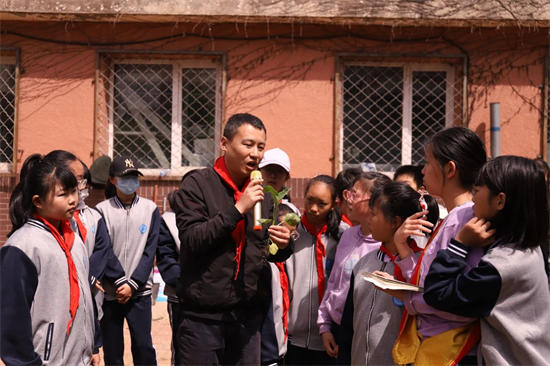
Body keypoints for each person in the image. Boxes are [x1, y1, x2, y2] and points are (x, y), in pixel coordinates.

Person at [174, 113, 293, 366]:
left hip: (248, 320)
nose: (256, 154)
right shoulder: (197, 185)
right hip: (202, 320)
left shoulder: (265, 195)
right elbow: (193, 240)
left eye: (261, 147)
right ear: (225, 143)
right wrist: (238, 209)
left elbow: (265, 250)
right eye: (248, 144)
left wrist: (284, 245)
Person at [424, 156, 550, 365]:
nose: (472, 199)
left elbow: (437, 293)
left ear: (500, 200)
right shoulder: (525, 247)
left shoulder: (504, 266)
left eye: (477, 191)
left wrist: (459, 244)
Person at [390, 127, 487, 366]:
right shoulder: (453, 217)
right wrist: (402, 246)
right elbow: (430, 281)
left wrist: (409, 300)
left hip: (453, 352)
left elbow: (462, 298)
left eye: (427, 162)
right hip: (434, 347)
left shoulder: (466, 218)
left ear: (450, 169)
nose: (422, 170)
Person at [0, 153, 98, 365]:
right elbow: (12, 317)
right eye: (63, 194)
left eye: (74, 191)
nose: (73, 199)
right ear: (38, 201)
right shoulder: (23, 246)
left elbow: (84, 295)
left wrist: (93, 344)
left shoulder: (73, 236)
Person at [338, 182, 439, 366]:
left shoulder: (421, 267)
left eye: (374, 214)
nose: (369, 219)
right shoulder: (363, 264)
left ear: (395, 222)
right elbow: (348, 329)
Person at [317, 172, 391, 360]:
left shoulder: (385, 245)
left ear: (375, 201)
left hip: (363, 333)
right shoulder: (348, 235)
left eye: (354, 195)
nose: (347, 199)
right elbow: (333, 282)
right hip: (336, 327)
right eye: (347, 193)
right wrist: (324, 325)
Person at [96, 156, 160, 366]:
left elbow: (150, 251)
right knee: (113, 350)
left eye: (134, 176)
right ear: (113, 180)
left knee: (143, 346)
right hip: (111, 293)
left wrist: (133, 283)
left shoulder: (150, 209)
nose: (130, 181)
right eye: (125, 176)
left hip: (139, 291)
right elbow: (103, 249)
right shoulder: (101, 210)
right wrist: (119, 281)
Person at [285, 174, 346, 366]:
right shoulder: (289, 233)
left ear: (334, 205)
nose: (313, 208)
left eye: (322, 203)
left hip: (330, 338)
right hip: (293, 339)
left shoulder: (344, 235)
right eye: (309, 200)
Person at [261, 203, 300, 366]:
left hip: (282, 350)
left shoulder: (289, 263)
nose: (287, 239)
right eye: (281, 233)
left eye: (292, 234)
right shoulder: (264, 266)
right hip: (265, 353)